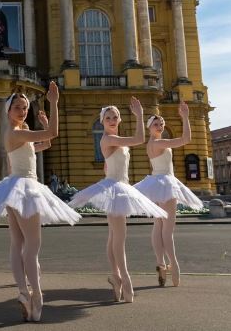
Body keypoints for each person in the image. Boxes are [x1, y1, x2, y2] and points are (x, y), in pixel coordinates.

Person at [0, 83, 81, 322]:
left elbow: (42, 144)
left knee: (17, 243)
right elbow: (53, 134)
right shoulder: (17, 133)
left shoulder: (17, 133)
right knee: (32, 245)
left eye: (25, 107)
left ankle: (22, 292)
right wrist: (54, 103)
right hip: (26, 188)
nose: (22, 111)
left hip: (14, 188)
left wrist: (41, 124)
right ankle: (37, 295)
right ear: (8, 111)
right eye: (18, 107)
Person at [69, 100, 168, 303]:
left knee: (114, 235)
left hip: (119, 187)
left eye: (115, 117)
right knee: (119, 236)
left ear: (119, 119)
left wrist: (108, 167)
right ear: (102, 122)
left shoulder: (112, 139)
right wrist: (140, 115)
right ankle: (125, 278)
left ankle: (116, 276)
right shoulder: (108, 139)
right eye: (108, 118)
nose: (112, 120)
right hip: (114, 189)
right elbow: (139, 138)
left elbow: (111, 164)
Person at [134, 102, 203, 288]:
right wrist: (186, 117)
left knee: (158, 225)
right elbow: (186, 139)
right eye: (156, 123)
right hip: (164, 183)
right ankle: (174, 264)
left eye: (162, 122)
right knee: (168, 229)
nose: (160, 125)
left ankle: (160, 264)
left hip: (155, 182)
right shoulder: (159, 142)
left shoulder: (151, 144)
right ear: (150, 128)